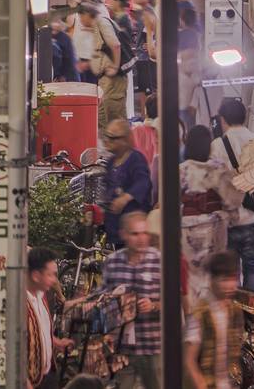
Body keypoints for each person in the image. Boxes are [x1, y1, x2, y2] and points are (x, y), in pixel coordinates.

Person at [101, 210, 162, 389]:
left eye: (144, 233)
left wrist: (153, 305)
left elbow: (174, 302)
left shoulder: (159, 261)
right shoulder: (113, 262)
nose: (141, 238)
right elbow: (103, 298)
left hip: (153, 344)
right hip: (123, 346)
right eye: (135, 234)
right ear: (124, 235)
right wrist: (117, 304)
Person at [181, 124, 240, 301]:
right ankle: (212, 315)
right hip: (214, 227)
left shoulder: (181, 170)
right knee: (214, 275)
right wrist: (232, 217)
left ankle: (193, 316)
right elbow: (231, 200)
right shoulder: (218, 169)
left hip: (186, 230)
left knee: (191, 278)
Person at [216, 97, 254, 292]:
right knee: (253, 270)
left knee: (231, 275)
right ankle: (252, 319)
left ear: (223, 119)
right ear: (244, 117)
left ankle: (236, 318)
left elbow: (215, 183)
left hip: (231, 221)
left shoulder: (217, 146)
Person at [184, 250, 244, 389]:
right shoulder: (200, 312)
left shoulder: (234, 310)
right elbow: (189, 361)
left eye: (233, 278)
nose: (230, 285)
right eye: (224, 279)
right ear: (211, 279)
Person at [100, 119, 154, 248]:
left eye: (112, 138)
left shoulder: (136, 159)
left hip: (134, 230)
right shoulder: (110, 162)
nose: (107, 140)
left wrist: (125, 198)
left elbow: (144, 182)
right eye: (106, 136)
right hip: (115, 228)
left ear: (124, 140)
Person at [26, 247, 71, 389]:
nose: (54, 280)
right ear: (36, 275)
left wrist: (56, 342)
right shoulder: (18, 303)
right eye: (50, 275)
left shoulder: (42, 295)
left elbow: (40, 330)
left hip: (47, 375)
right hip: (30, 381)